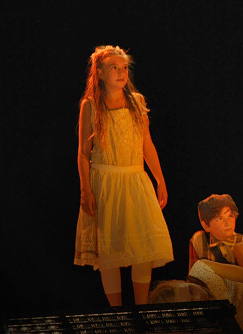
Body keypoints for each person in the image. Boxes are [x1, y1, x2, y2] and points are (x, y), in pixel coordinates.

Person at [73, 45, 173, 306]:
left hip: (134, 180)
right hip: (106, 183)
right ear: (100, 72)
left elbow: (146, 143)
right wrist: (85, 191)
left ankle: (142, 309)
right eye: (114, 68)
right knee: (109, 251)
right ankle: (117, 313)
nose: (121, 72)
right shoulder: (91, 105)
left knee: (142, 249)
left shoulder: (136, 102)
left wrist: (160, 179)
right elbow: (83, 153)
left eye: (124, 68)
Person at [188, 193, 243, 278]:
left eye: (230, 216)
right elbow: (194, 277)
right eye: (219, 219)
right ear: (205, 225)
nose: (227, 223)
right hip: (214, 289)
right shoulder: (199, 241)